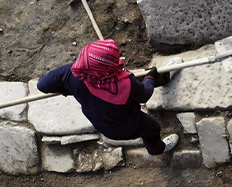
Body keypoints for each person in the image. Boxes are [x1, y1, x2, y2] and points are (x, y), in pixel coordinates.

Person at [37, 39, 178, 155]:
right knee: (152, 128)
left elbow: (42, 85)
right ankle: (157, 149)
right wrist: (150, 77)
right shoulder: (126, 85)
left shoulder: (71, 72)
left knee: (134, 81)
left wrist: (68, 89)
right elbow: (144, 94)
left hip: (99, 122)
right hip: (126, 126)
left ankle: (165, 77)